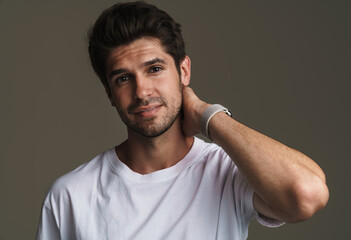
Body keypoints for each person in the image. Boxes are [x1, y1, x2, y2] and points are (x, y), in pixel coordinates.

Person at [36, 2, 329, 239]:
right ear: (109, 93)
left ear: (184, 71)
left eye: (154, 69)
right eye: (123, 78)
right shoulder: (70, 195)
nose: (141, 92)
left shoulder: (227, 171)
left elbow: (307, 195)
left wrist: (206, 115)